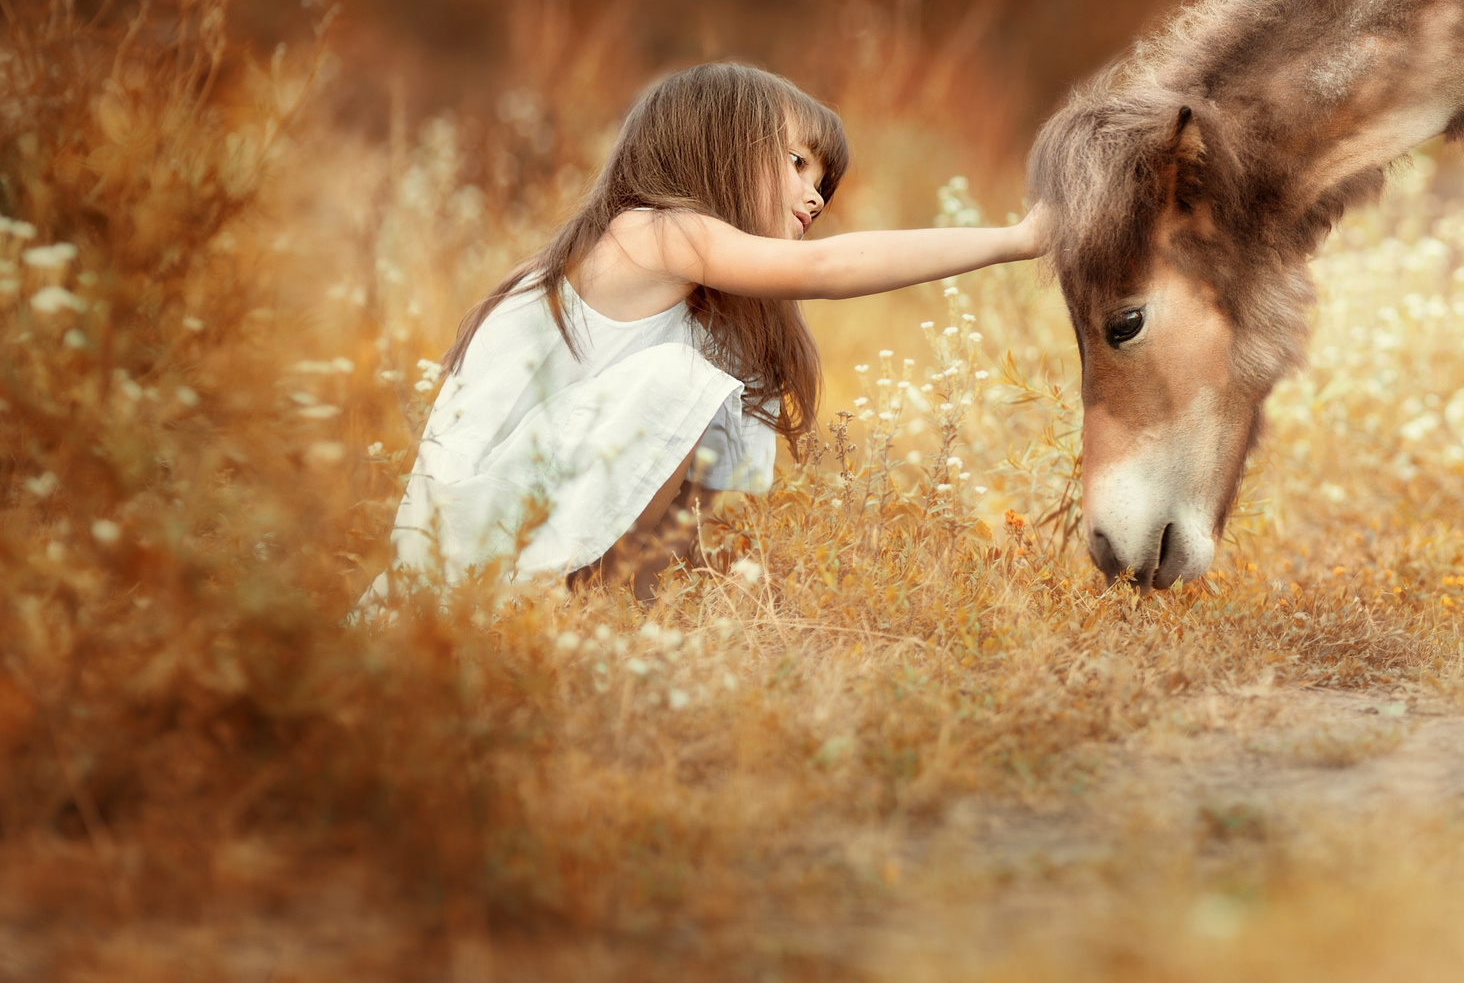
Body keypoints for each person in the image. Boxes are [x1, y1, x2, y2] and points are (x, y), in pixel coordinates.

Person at [383, 61, 1045, 600]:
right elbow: (827, 268)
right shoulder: (649, 233)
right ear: (715, 147)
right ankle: (590, 603)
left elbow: (685, 501)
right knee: (682, 381)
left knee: (725, 377)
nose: (815, 196)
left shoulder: (704, 305)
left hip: (524, 518)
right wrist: (1018, 239)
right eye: (796, 163)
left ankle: (628, 616)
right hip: (467, 540)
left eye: (823, 184)